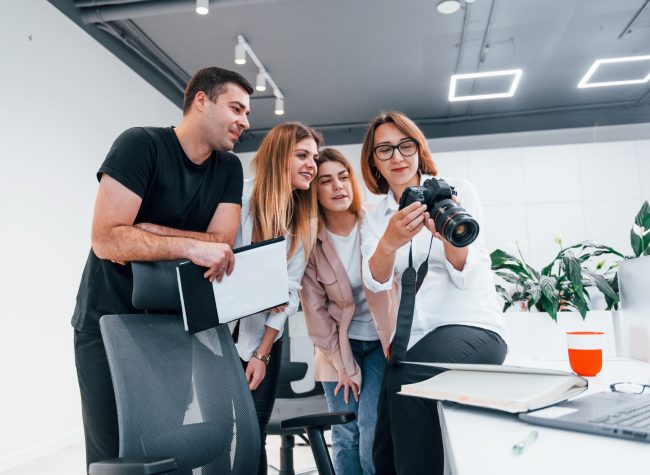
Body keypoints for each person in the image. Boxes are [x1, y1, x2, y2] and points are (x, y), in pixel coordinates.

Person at [71, 66, 253, 471]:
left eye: (247, 113)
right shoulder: (141, 145)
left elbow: (221, 244)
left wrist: (147, 232)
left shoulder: (228, 168)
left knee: (167, 452)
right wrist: (189, 243)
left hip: (171, 326)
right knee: (117, 460)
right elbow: (107, 239)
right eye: (236, 108)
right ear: (201, 101)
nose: (245, 121)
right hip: (109, 322)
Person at [359, 111, 508, 475]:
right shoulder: (375, 218)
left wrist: (447, 238)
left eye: (405, 146)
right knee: (384, 440)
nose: (397, 157)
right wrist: (390, 243)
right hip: (412, 342)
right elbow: (375, 280)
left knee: (407, 381)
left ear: (418, 148)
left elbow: (471, 272)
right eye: (384, 149)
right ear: (373, 162)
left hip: (472, 327)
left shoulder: (455, 191)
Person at [233, 122, 322, 475]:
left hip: (264, 341)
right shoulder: (238, 199)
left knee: (253, 434)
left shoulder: (302, 218)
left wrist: (262, 354)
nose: (311, 165)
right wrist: (260, 291)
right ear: (276, 157)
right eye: (301, 155)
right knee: (222, 432)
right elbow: (219, 267)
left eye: (314, 157)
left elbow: (287, 291)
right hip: (218, 338)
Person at [301, 148, 396, 475]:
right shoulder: (309, 241)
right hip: (335, 345)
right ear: (314, 191)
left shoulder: (376, 223)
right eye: (325, 181)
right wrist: (342, 366)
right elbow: (315, 313)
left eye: (343, 177)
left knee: (371, 428)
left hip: (380, 345)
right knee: (344, 431)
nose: (337, 186)